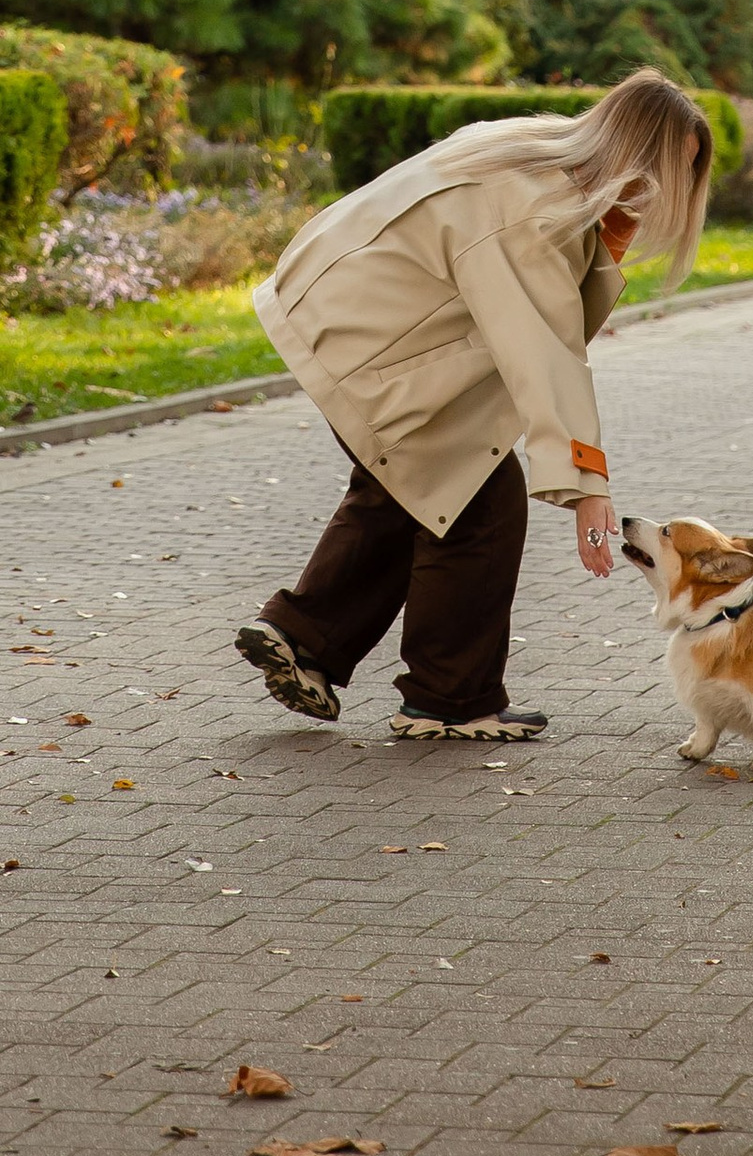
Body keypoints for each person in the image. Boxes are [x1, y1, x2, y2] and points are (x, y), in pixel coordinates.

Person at [235, 68, 714, 742]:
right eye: (665, 170)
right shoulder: (533, 212)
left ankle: (302, 637)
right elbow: (542, 352)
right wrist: (588, 490)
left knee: (413, 487)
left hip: (341, 308)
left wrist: (609, 234)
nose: (664, 192)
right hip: (365, 338)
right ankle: (448, 700)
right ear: (632, 152)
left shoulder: (536, 147)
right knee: (478, 507)